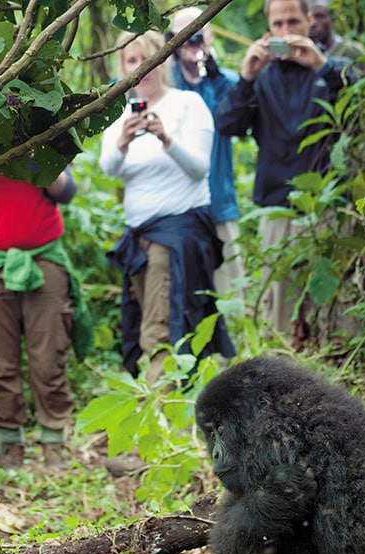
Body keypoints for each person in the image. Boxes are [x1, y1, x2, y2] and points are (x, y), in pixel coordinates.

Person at [99, 30, 235, 387]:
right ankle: (176, 401)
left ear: (163, 63)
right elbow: (108, 167)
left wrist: (166, 139)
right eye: (132, 61)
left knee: (161, 324)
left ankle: (159, 409)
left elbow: (199, 168)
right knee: (149, 315)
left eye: (149, 60)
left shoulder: (187, 105)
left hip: (178, 231)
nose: (141, 70)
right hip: (138, 234)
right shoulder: (119, 114)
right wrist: (125, 140)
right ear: (122, 67)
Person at [214, 0, 357, 336]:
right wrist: (247, 76)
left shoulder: (333, 67)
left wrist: (322, 67)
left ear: (309, 21)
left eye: (293, 22)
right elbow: (227, 125)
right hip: (278, 205)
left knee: (336, 311)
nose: (286, 33)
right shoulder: (262, 77)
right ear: (268, 29)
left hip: (327, 200)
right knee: (279, 313)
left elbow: (361, 111)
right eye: (277, 25)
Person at [0, 167, 92, 470]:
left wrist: (38, 156)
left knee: (49, 355)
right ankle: (10, 443)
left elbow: (66, 191)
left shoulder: (43, 131)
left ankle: (54, 442)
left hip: (44, 256)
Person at [169, 8, 245, 302]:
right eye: (185, 37)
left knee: (230, 294)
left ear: (210, 36)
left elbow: (234, 115)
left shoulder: (226, 82)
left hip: (219, 202)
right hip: (178, 208)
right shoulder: (165, 85)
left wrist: (211, 72)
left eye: (198, 34)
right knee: (184, 296)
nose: (192, 42)